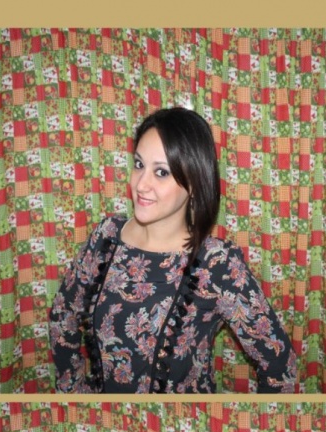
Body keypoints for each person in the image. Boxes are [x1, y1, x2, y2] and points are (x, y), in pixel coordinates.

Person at [50, 107, 298, 393]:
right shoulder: (106, 237)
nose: (141, 184)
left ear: (194, 182)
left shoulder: (216, 264)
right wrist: (74, 397)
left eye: (161, 172)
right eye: (139, 164)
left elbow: (280, 366)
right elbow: (63, 315)